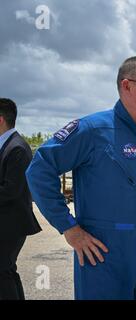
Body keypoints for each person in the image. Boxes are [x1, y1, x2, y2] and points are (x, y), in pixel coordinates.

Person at [26, 55, 136, 300]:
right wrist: (69, 228)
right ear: (127, 86)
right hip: (102, 257)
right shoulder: (91, 130)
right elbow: (39, 170)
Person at [0, 98, 42, 300]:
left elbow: (11, 190)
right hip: (6, 222)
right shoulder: (8, 145)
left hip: (11, 224)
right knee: (6, 271)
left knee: (3, 273)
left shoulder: (17, 148)